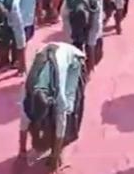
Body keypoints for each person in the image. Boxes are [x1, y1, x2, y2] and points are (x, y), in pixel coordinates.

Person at [18, 42, 87, 172]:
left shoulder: (58, 97)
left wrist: (54, 159)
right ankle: (49, 140)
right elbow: (23, 123)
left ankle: (59, 150)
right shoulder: (26, 95)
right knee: (40, 133)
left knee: (69, 109)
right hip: (47, 55)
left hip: (73, 61)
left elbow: (61, 123)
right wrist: (21, 152)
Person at [61, 0, 105, 74]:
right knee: (76, 45)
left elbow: (95, 31)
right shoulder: (66, 10)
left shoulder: (94, 7)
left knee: (97, 52)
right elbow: (68, 37)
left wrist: (91, 65)